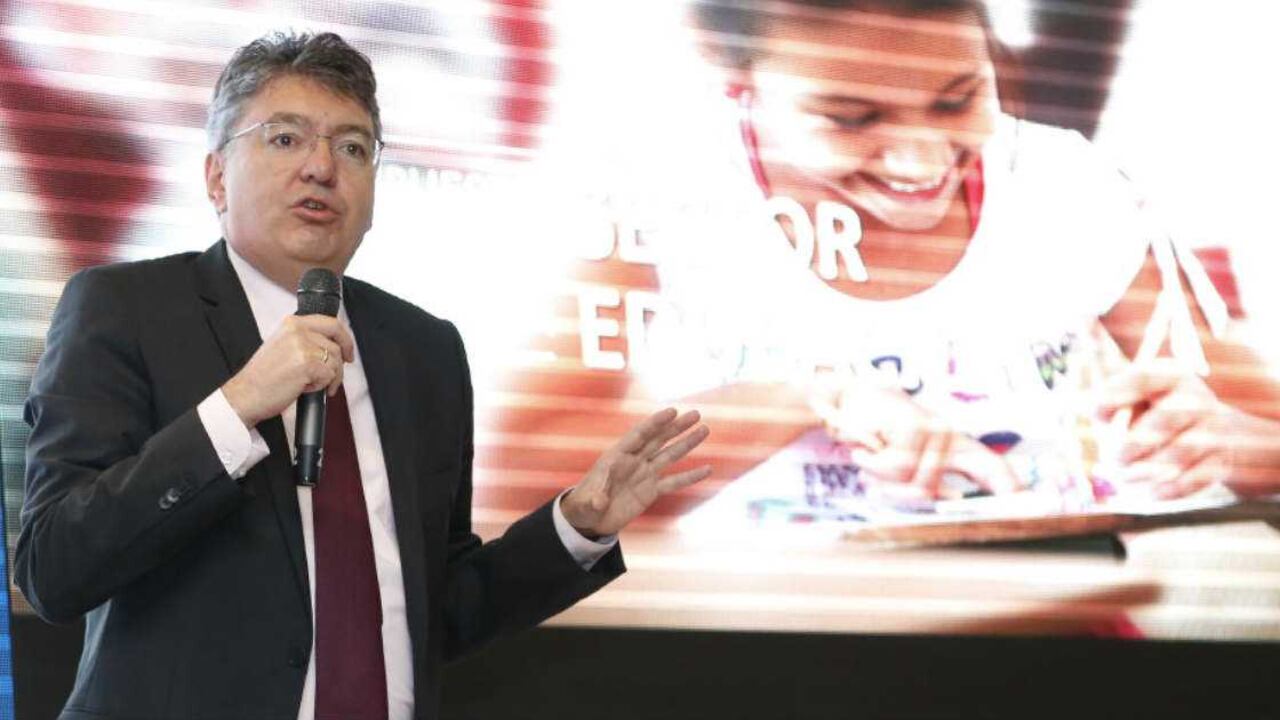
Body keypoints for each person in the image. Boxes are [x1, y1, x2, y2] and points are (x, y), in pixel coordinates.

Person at [14, 31, 710, 720]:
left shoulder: (423, 349)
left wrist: (574, 528)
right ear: (217, 176)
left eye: (352, 147)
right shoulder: (126, 309)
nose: (322, 167)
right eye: (286, 138)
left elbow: (434, 611)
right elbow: (53, 567)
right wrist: (237, 407)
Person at [666, 0, 1280, 522]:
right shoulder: (670, 200)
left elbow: (1264, 429)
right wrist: (815, 396)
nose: (919, 163)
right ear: (737, 83)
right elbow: (574, 489)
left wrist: (1221, 442)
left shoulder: (1065, 188)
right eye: (850, 119)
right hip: (764, 643)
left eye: (957, 102)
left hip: (1050, 626)